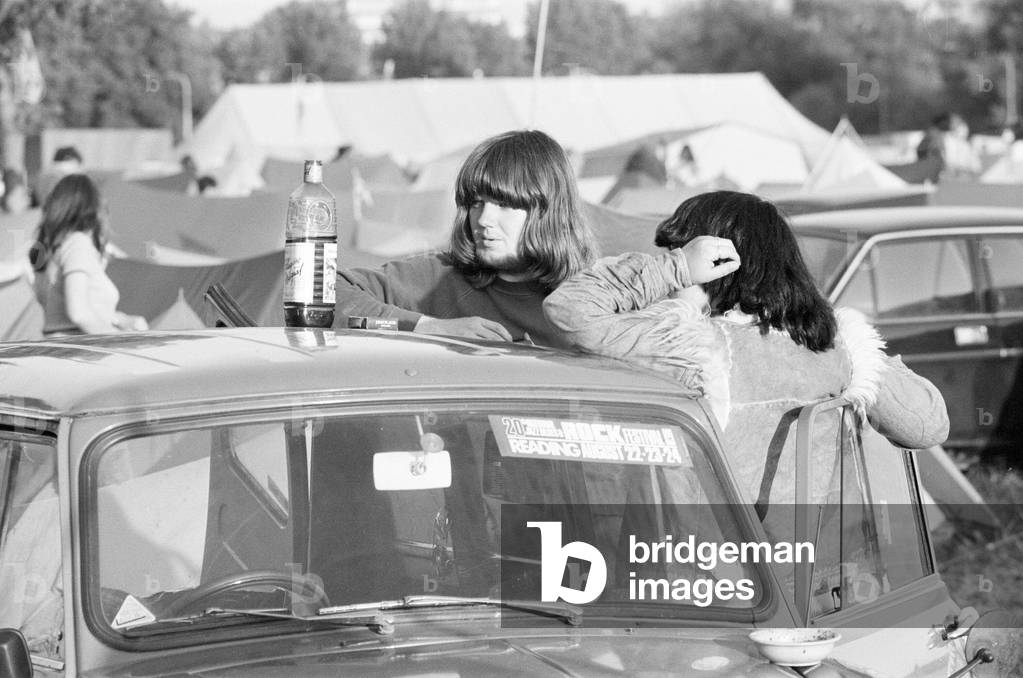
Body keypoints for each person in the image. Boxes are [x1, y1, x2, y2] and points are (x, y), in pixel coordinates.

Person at [543, 191, 949, 514]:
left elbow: (568, 310)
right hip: (805, 578)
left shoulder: (691, 348)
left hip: (699, 576)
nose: (672, 263)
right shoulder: (837, 348)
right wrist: (862, 354)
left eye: (679, 249)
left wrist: (675, 269)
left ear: (718, 264)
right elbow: (927, 426)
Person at [334, 129, 600, 347]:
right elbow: (327, 294)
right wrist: (427, 326)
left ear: (547, 211)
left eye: (504, 205)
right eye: (476, 203)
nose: (483, 219)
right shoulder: (437, 278)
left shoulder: (594, 300)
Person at [29, 173, 148, 335]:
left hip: (64, 344)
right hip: (78, 346)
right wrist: (121, 339)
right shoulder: (77, 243)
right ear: (94, 209)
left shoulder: (53, 249)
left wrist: (120, 319)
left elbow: (64, 314)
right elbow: (79, 313)